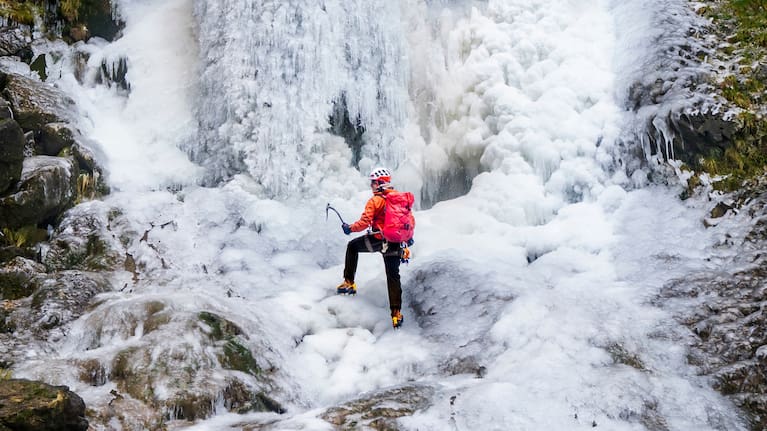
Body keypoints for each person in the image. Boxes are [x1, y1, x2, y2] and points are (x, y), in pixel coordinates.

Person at [337, 167, 404, 328]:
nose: (371, 186)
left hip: (379, 240)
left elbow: (364, 222)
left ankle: (349, 283)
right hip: (395, 242)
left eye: (373, 183)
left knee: (352, 246)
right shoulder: (398, 199)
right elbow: (407, 221)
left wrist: (350, 228)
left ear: (379, 183)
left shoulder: (375, 201)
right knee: (393, 276)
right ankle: (396, 314)